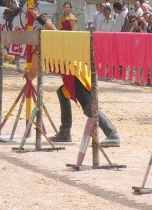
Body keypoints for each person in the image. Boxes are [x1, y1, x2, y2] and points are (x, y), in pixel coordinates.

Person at [25, 9, 120, 147]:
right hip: (75, 72)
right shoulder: (53, 38)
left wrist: (27, 75)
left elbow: (33, 73)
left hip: (76, 74)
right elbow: (50, 27)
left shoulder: (42, 47)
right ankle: (65, 131)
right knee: (62, 92)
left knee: (88, 107)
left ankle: (112, 134)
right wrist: (38, 17)